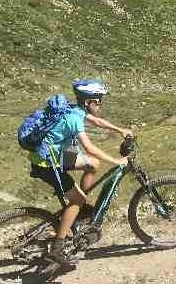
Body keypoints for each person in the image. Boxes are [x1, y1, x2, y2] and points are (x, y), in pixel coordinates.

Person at [28, 79, 132, 267]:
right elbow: (89, 147)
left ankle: (81, 209)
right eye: (98, 101)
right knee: (76, 199)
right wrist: (117, 161)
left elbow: (98, 122)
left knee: (92, 165)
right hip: (48, 163)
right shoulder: (75, 118)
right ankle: (58, 250)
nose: (100, 104)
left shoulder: (75, 109)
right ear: (87, 102)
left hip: (54, 154)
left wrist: (120, 130)